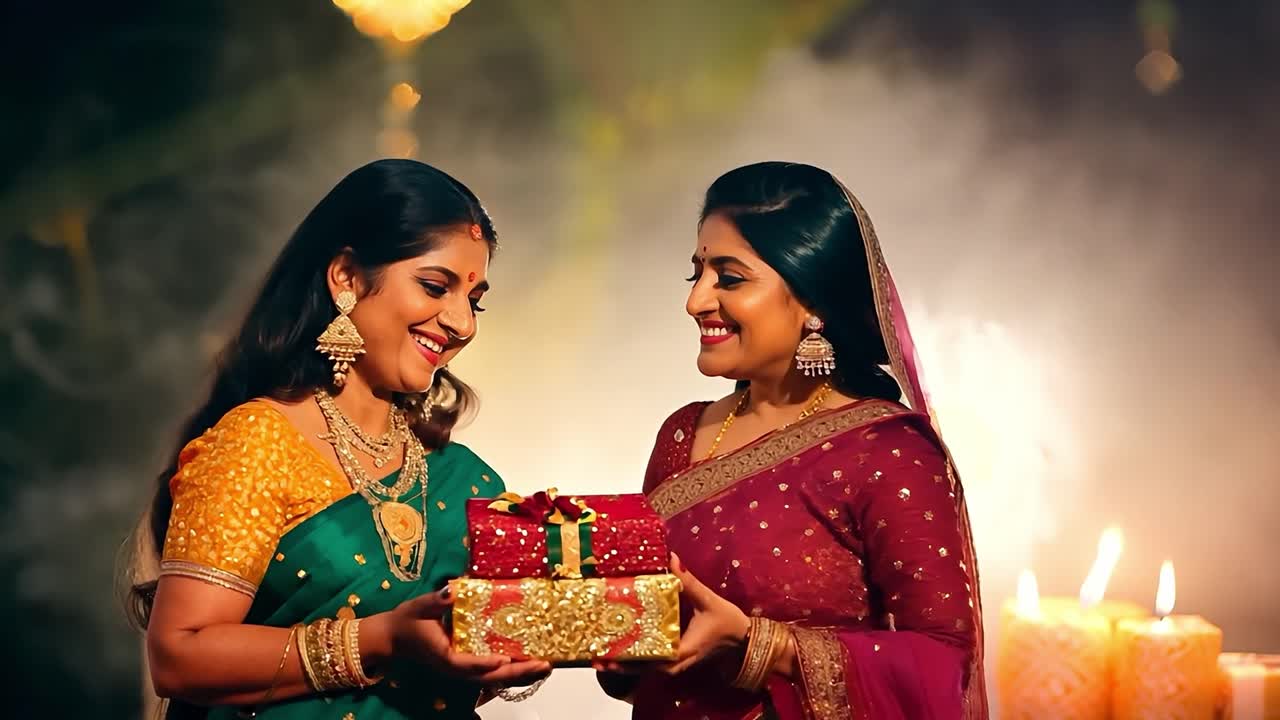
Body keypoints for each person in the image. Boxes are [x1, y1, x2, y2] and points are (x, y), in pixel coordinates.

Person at [122, 159, 551, 719]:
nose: (462, 323)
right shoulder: (257, 443)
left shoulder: (463, 477)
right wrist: (384, 639)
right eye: (434, 286)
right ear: (346, 277)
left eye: (475, 300)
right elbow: (179, 656)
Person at [599, 161, 987, 719]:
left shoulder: (887, 452)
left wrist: (762, 647)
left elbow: (943, 665)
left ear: (813, 302)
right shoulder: (682, 433)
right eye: (697, 274)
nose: (696, 301)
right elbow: (655, 654)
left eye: (729, 278)